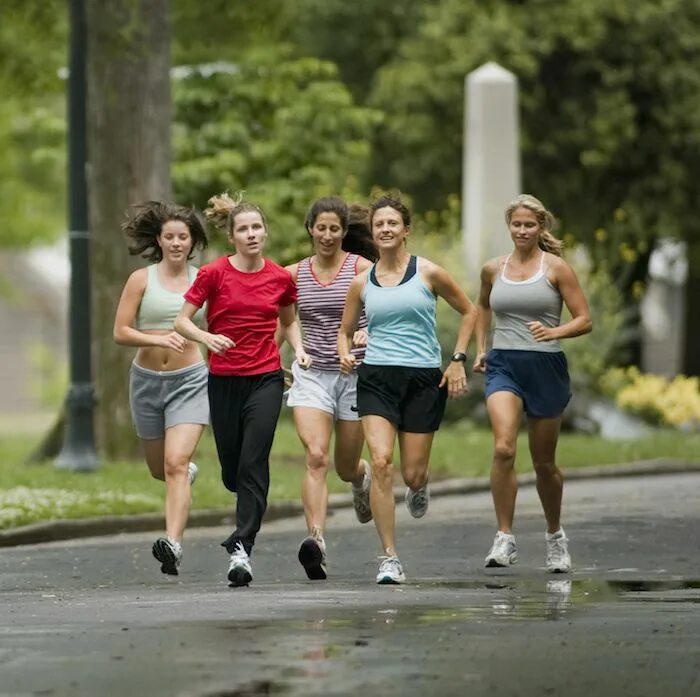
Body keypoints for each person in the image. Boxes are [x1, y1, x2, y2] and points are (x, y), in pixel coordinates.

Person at [338, 194, 477, 584]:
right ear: (373, 231)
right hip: (377, 379)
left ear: (406, 230)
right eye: (378, 224)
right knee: (381, 463)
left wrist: (458, 359)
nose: (384, 229)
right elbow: (344, 331)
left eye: (392, 223)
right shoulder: (361, 283)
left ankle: (420, 484)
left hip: (421, 379)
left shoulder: (429, 273)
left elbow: (469, 310)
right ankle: (389, 558)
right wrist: (346, 353)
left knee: (412, 474)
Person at [174, 192, 310, 587]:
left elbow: (289, 320)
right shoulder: (214, 274)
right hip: (223, 380)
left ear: (265, 233)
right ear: (232, 236)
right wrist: (206, 337)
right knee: (233, 470)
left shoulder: (280, 278)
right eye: (244, 229)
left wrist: (299, 350)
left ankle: (241, 548)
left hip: (265, 377)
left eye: (257, 228)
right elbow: (183, 321)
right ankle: (243, 502)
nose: (251, 234)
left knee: (254, 460)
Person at [473, 194, 592, 573]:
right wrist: (480, 349)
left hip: (546, 366)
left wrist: (554, 330)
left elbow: (584, 319)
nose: (522, 230)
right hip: (504, 364)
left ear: (541, 228)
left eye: (529, 225)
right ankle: (504, 538)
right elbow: (483, 307)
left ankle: (555, 536)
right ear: (509, 227)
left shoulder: (556, 269)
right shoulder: (493, 269)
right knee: (504, 448)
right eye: (516, 224)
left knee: (544, 463)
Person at [281, 197, 377, 580]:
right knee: (316, 456)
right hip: (312, 374)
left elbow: (385, 311)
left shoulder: (363, 269)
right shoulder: (293, 275)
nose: (326, 235)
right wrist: (272, 360)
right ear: (310, 229)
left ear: (343, 232)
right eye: (320, 228)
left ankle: (361, 478)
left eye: (334, 228)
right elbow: (282, 320)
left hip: (354, 373)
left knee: (345, 465)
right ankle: (316, 542)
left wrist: (369, 330)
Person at [113, 201, 210, 576]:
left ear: (192, 241)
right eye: (169, 236)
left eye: (182, 237)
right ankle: (185, 475)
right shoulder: (141, 279)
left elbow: (215, 326)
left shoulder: (204, 279)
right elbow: (120, 332)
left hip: (190, 381)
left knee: (175, 463)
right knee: (160, 469)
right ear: (159, 239)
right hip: (147, 383)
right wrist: (156, 341)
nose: (175, 243)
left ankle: (173, 544)